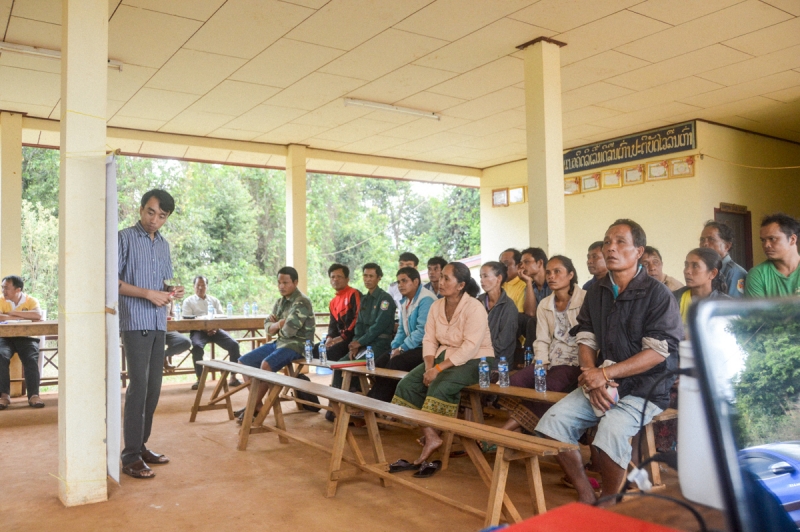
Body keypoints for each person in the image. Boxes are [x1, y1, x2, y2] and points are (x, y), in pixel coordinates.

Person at [535, 219, 683, 505]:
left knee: (610, 432)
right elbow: (586, 338)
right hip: (604, 380)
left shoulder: (658, 294)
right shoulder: (598, 291)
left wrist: (604, 374)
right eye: (607, 242)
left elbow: (656, 352)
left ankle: (610, 502)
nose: (610, 248)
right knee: (551, 424)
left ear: (639, 251)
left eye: (620, 242)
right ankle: (586, 493)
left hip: (647, 387)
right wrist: (592, 375)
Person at [390, 262, 492, 477]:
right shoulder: (437, 306)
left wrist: (438, 369)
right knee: (407, 384)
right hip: (443, 356)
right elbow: (429, 339)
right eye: (440, 277)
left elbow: (469, 347)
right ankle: (432, 435)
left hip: (477, 358)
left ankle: (435, 437)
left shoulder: (474, 307)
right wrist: (429, 366)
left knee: (440, 384)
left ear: (461, 285)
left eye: (447, 278)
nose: (440, 281)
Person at [118, 189, 185, 479]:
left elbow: (162, 285)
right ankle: (130, 455)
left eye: (162, 216)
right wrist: (147, 294)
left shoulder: (164, 245)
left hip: (159, 322)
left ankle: (141, 446)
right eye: (150, 212)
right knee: (139, 389)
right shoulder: (124, 238)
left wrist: (171, 293)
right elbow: (111, 281)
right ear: (141, 208)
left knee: (154, 389)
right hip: (135, 322)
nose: (154, 220)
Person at [499, 256, 586, 433]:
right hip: (550, 359)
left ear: (570, 275)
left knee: (545, 389)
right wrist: (541, 362)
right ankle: (525, 429)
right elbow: (542, 339)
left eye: (557, 272)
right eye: (548, 272)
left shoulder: (585, 300)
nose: (551, 276)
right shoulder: (545, 304)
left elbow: (590, 338)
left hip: (574, 362)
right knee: (513, 382)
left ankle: (503, 432)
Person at [236, 267, 315, 420]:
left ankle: (252, 406)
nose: (281, 286)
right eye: (279, 282)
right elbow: (267, 327)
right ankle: (257, 404)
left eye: (285, 282)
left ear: (295, 282)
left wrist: (276, 326)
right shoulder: (281, 302)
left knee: (266, 365)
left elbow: (290, 331)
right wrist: (279, 324)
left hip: (298, 344)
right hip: (280, 342)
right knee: (243, 362)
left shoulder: (301, 302)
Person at [366, 266, 434, 403]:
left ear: (416, 282)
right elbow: (402, 330)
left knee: (395, 363)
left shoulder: (426, 299)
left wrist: (402, 349)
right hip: (410, 346)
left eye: (404, 281)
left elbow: (422, 331)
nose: (400, 285)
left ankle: (377, 404)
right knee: (380, 362)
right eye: (398, 282)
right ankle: (377, 400)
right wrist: (395, 347)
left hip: (426, 349)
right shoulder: (405, 301)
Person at [182, 276, 241, 390]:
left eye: (203, 285)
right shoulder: (188, 301)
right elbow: (188, 321)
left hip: (216, 330)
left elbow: (221, 316)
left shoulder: (214, 300)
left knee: (234, 345)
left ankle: (233, 377)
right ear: (194, 287)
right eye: (198, 285)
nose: (200, 288)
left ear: (207, 286)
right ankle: (200, 378)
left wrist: (215, 328)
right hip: (198, 331)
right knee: (197, 347)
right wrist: (204, 328)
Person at [0, 275, 44, 410]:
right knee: (1, 356)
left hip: (27, 337)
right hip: (5, 338)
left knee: (31, 359)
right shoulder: (1, 300)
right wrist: (24, 315)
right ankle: (4, 396)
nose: (3, 290)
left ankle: (34, 395)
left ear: (18, 290)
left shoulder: (31, 300)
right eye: (2, 287)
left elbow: (37, 315)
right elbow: (0, 317)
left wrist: (11, 313)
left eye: (6, 288)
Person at [318, 263, 361, 393]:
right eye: (332, 277)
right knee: (317, 350)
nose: (335, 279)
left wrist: (340, 338)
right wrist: (329, 338)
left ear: (347, 279)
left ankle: (351, 385)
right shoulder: (333, 301)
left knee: (331, 353)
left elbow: (357, 319)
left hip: (353, 338)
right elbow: (332, 324)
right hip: (340, 339)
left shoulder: (354, 293)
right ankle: (347, 385)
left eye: (339, 276)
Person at [745, 213, 800, 298]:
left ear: (792, 239)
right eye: (763, 240)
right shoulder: (757, 274)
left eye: (772, 239)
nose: (766, 245)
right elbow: (758, 311)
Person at [674, 248, 731, 327]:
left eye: (695, 266)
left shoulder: (725, 305)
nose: (687, 271)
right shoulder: (673, 299)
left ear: (712, 273)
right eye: (686, 265)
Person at [477, 262, 518, 362]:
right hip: (477, 357)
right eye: (481, 276)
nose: (481, 280)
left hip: (499, 361)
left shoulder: (508, 306)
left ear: (499, 278)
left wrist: (481, 351)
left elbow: (503, 342)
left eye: (485, 276)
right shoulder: (478, 302)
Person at [699, 221, 747, 297]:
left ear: (727, 246)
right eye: (702, 240)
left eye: (711, 239)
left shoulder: (735, 272)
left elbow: (734, 306)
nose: (705, 244)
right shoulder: (704, 269)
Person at [519, 247, 551, 315]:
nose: (522, 266)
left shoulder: (552, 283)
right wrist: (528, 282)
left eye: (526, 262)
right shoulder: (531, 286)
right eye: (521, 263)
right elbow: (530, 313)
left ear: (539, 263)